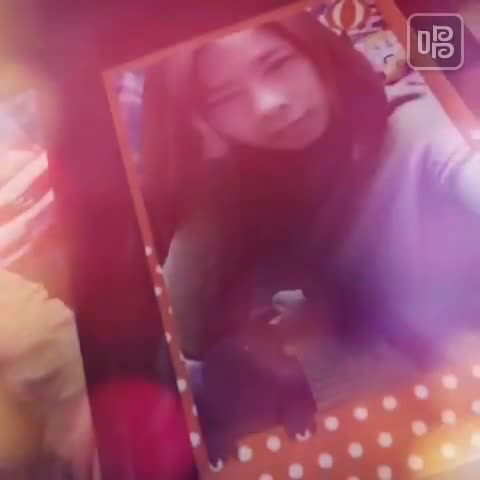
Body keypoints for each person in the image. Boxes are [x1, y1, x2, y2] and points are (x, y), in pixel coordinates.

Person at [139, 12, 480, 369]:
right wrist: (209, 184)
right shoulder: (251, 204)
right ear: (198, 123)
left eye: (278, 64)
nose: (269, 104)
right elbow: (182, 346)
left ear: (316, 53)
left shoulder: (422, 135)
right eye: (223, 98)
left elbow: (455, 155)